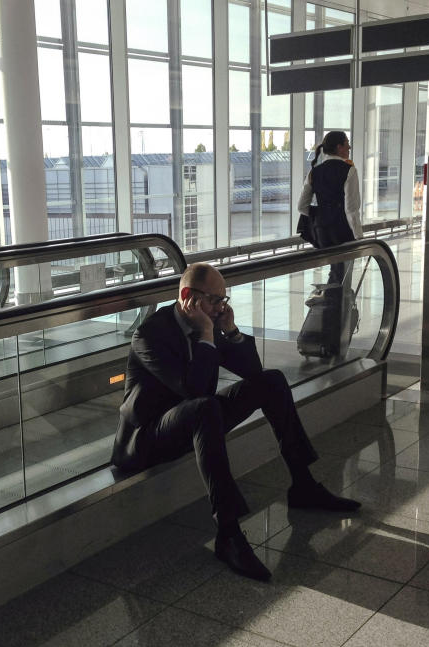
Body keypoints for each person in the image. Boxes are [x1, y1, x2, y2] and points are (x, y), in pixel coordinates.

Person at [111, 263, 361, 582]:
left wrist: (231, 332)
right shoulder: (151, 334)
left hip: (199, 419)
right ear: (188, 296)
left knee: (271, 381)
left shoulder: (212, 323)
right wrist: (206, 335)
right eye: (215, 300)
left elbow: (254, 373)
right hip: (148, 438)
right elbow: (195, 390)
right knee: (205, 407)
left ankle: (304, 485)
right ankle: (228, 534)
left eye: (224, 301)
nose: (220, 308)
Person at [296, 131, 364, 360]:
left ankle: (325, 330)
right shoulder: (348, 170)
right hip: (343, 232)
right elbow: (351, 209)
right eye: (347, 144)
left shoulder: (315, 172)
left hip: (323, 233)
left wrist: (319, 219)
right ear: (339, 147)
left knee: (335, 277)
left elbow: (302, 206)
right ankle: (334, 334)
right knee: (342, 280)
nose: (349, 147)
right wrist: (360, 239)